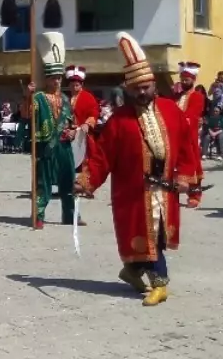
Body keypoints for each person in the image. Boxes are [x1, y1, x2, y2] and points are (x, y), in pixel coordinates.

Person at [76, 32, 201, 307]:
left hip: (165, 190)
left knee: (157, 236)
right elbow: (101, 157)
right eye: (136, 89)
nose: (142, 92)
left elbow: (187, 148)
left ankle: (131, 272)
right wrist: (86, 180)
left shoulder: (171, 111)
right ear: (128, 90)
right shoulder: (119, 121)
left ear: (153, 85)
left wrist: (185, 177)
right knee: (148, 237)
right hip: (133, 193)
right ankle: (160, 285)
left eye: (145, 87)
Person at [20, 36, 76, 230]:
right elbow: (26, 114)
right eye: (54, 78)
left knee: (68, 181)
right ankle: (38, 215)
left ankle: (69, 215)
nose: (57, 81)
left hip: (64, 146)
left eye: (59, 78)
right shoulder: (39, 97)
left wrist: (71, 133)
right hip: (45, 145)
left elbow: (72, 123)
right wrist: (27, 96)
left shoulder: (67, 100)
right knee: (42, 183)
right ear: (47, 79)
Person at [173, 61, 207, 207]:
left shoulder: (198, 96)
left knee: (193, 165)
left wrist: (179, 121)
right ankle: (173, 194)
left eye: (186, 80)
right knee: (173, 166)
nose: (184, 82)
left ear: (193, 80)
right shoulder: (176, 96)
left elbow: (192, 115)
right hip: (174, 136)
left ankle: (195, 195)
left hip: (189, 136)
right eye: (182, 80)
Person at [66, 64, 99, 171]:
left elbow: (94, 112)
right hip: (70, 131)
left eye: (76, 85)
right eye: (72, 85)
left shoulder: (88, 97)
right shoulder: (68, 99)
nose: (74, 88)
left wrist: (87, 123)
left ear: (81, 85)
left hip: (82, 132)